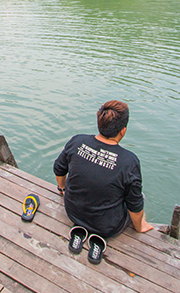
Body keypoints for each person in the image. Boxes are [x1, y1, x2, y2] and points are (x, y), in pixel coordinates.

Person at [53, 100, 153, 238]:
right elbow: (134, 204)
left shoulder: (77, 141)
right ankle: (141, 224)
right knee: (141, 197)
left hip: (73, 213)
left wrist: (62, 188)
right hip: (106, 227)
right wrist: (139, 226)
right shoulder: (129, 161)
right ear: (123, 131)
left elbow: (59, 169)